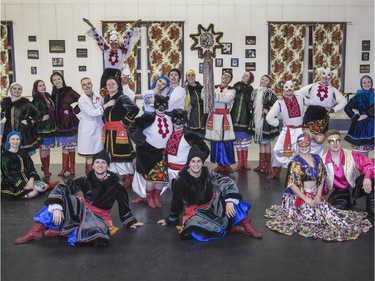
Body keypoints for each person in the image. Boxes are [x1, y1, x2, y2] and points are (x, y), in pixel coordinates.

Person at [14, 150, 144, 246]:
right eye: (97, 162)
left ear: (107, 165)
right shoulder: (86, 179)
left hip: (98, 217)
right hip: (82, 210)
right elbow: (64, 185)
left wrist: (130, 221)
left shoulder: (116, 184)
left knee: (98, 237)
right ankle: (36, 230)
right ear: (93, 165)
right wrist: (57, 206)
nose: (100, 165)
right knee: (61, 199)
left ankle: (59, 230)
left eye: (103, 162)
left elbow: (123, 204)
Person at [265, 132, 372, 241]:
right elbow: (291, 184)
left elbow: (321, 179)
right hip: (300, 197)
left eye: (306, 145)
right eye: (301, 145)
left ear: (310, 145)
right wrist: (306, 198)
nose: (304, 147)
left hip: (316, 194)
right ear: (297, 146)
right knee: (311, 219)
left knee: (331, 217)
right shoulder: (294, 163)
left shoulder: (317, 159)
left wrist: (318, 195)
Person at [157, 145, 262, 241]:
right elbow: (176, 203)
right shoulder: (180, 180)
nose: (196, 164)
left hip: (213, 204)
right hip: (197, 212)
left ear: (202, 163)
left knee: (236, 203)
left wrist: (229, 201)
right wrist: (170, 219)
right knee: (194, 231)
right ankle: (234, 229)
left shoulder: (207, 173)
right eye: (193, 161)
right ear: (188, 163)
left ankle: (249, 228)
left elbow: (226, 181)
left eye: (199, 161)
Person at [129, 95, 173, 208]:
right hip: (148, 153)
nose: (161, 107)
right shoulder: (148, 118)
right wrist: (141, 143)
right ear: (155, 105)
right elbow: (133, 128)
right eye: (159, 104)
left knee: (161, 179)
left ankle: (156, 196)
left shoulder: (169, 119)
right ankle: (149, 197)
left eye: (164, 105)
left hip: (163, 154)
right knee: (150, 178)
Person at [83, 18, 141, 97]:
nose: (113, 44)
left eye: (115, 42)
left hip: (117, 74)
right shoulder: (106, 50)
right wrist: (91, 25)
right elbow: (98, 38)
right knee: (105, 94)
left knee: (118, 94)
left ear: (118, 42)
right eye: (111, 42)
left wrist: (133, 26)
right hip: (106, 74)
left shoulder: (122, 51)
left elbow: (128, 38)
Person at [323, 129, 374, 216]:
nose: (335, 144)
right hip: (340, 191)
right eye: (331, 141)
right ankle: (348, 202)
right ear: (327, 144)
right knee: (333, 211)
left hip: (356, 185)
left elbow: (369, 166)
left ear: (340, 142)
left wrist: (367, 177)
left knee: (372, 178)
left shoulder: (352, 154)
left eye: (337, 140)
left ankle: (372, 206)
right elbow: (320, 181)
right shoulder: (322, 161)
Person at [102, 77, 140, 188]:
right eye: (108, 84)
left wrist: (124, 122)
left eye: (113, 83)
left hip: (119, 131)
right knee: (110, 154)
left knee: (122, 154)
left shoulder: (122, 97)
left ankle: (127, 176)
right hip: (109, 131)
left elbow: (134, 109)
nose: (111, 86)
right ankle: (114, 175)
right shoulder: (106, 98)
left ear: (118, 85)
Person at [295, 66, 347, 144]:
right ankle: (308, 150)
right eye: (324, 75)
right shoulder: (312, 86)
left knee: (319, 140)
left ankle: (316, 149)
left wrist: (333, 110)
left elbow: (344, 101)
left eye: (328, 76)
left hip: (323, 114)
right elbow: (297, 93)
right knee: (306, 138)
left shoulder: (333, 90)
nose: (325, 77)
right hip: (311, 112)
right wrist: (307, 101)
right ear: (320, 75)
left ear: (331, 78)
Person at [266, 80, 304, 179]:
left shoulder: (300, 97)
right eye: (286, 87)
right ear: (283, 88)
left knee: (301, 151)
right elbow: (269, 117)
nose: (289, 89)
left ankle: (300, 171)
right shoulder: (279, 101)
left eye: (291, 87)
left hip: (300, 130)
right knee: (277, 150)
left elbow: (313, 96)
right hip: (287, 130)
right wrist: (278, 124)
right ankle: (276, 170)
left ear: (294, 87)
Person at [77, 77, 114, 173]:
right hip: (87, 129)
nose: (87, 86)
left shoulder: (98, 96)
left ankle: (97, 173)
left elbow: (103, 109)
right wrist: (106, 105)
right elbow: (92, 112)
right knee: (89, 154)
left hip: (98, 128)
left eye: (89, 83)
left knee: (98, 153)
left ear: (92, 84)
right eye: (84, 85)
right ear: (82, 87)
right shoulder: (82, 100)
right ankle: (89, 175)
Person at [1, 131, 53, 200]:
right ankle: (33, 189)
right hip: (13, 182)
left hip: (27, 178)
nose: (15, 141)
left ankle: (34, 187)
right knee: (32, 193)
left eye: (17, 139)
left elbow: (31, 167)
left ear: (20, 141)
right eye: (13, 139)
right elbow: (7, 175)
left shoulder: (23, 153)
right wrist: (23, 184)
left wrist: (31, 180)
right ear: (9, 141)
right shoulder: (5, 156)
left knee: (43, 187)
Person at [204, 71, 236, 173]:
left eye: (228, 76)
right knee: (215, 141)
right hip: (213, 117)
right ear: (221, 76)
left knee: (226, 141)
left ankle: (227, 164)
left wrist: (212, 95)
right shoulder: (213, 87)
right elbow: (203, 96)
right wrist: (208, 90)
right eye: (224, 75)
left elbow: (227, 98)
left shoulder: (232, 90)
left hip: (225, 117)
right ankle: (219, 163)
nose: (225, 77)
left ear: (230, 80)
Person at [50, 72, 81, 177]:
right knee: (64, 146)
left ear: (62, 79)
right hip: (59, 123)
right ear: (52, 83)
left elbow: (82, 100)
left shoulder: (69, 90)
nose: (57, 81)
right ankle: (64, 167)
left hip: (69, 122)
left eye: (58, 79)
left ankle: (72, 167)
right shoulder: (53, 93)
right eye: (54, 80)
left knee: (71, 145)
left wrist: (72, 111)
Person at [249, 74, 279, 173]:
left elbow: (278, 105)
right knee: (261, 142)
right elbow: (251, 104)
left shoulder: (269, 93)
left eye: (266, 80)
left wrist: (269, 111)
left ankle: (267, 165)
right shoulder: (255, 92)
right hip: (257, 119)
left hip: (265, 121)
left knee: (266, 142)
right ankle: (261, 164)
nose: (263, 81)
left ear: (269, 83)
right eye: (262, 79)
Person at [1, 82, 42, 154]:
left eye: (19, 89)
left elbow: (38, 114)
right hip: (9, 131)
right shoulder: (5, 102)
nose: (17, 90)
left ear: (21, 91)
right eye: (14, 88)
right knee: (10, 155)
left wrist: (29, 121)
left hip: (24, 132)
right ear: (11, 90)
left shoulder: (26, 103)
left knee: (24, 156)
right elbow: (2, 114)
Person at [31, 80, 57, 178]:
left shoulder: (48, 97)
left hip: (50, 127)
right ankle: (45, 170)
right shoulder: (36, 100)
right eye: (40, 86)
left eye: (43, 85)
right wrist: (41, 118)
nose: (43, 87)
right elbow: (33, 114)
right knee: (43, 149)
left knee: (48, 148)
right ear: (36, 88)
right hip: (42, 129)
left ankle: (46, 168)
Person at [344, 75, 374, 156]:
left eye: (369, 82)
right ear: (361, 84)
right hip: (363, 127)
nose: (367, 84)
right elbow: (347, 108)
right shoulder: (358, 96)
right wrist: (356, 117)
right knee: (362, 153)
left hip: (372, 125)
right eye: (364, 83)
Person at [231, 71, 255, 171]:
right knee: (237, 141)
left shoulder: (250, 89)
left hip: (245, 116)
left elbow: (252, 101)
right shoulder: (237, 86)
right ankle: (240, 162)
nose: (243, 76)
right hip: (235, 114)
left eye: (246, 75)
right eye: (243, 74)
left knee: (244, 140)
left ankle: (245, 162)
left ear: (250, 79)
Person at [184, 69, 206, 138]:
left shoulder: (201, 88)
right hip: (191, 119)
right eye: (188, 75)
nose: (191, 77)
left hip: (203, 118)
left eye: (192, 75)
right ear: (186, 77)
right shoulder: (185, 90)